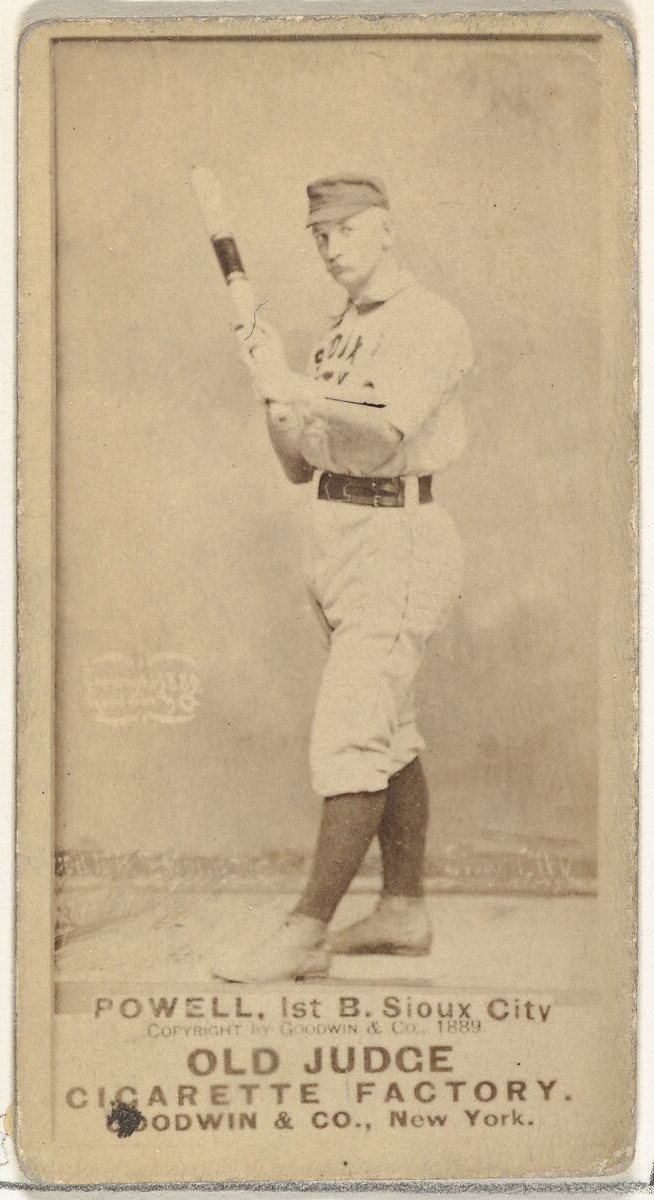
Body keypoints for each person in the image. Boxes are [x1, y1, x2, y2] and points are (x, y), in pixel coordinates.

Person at [213, 174, 473, 983]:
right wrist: (277, 405)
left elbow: (392, 418)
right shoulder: (336, 334)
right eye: (318, 235)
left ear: (385, 229)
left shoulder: (428, 321)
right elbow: (298, 469)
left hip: (397, 535)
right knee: (387, 729)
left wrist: (302, 388)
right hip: (336, 538)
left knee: (350, 737)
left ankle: (302, 933)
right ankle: (401, 911)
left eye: (345, 231)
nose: (329, 247)